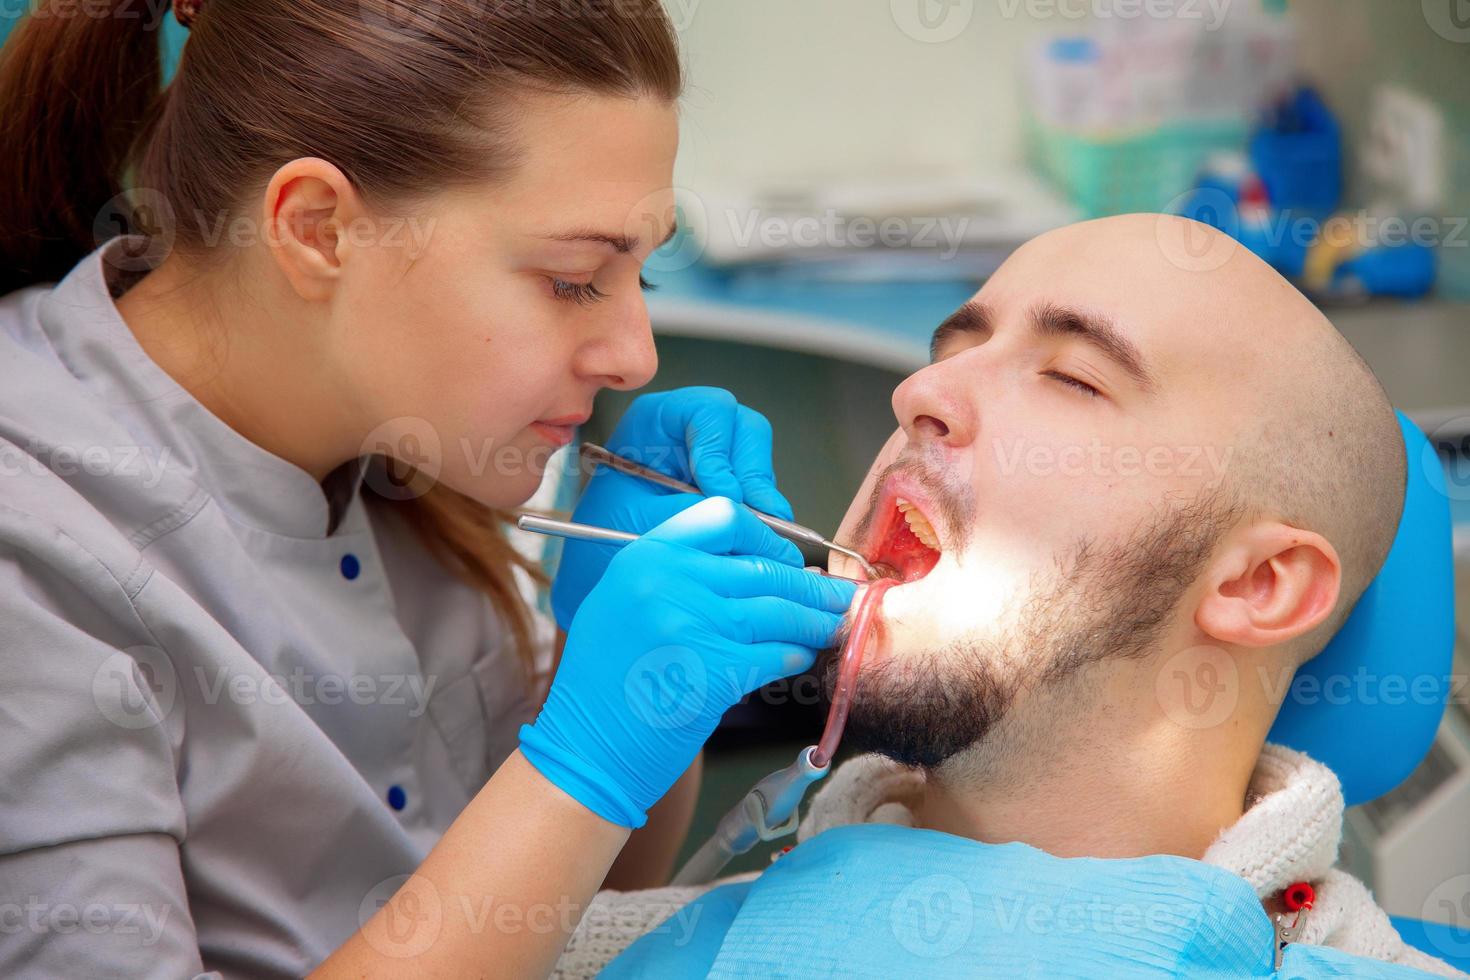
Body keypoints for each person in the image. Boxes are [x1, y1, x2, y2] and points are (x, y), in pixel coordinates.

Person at [0, 1, 855, 976]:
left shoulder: (401, 453)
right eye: (578, 277)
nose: (634, 357)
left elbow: (571, 923)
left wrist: (613, 676)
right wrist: (576, 765)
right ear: (318, 228)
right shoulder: (32, 561)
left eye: (641, 279)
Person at [555, 215, 1465, 978]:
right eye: (955, 351)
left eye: (1074, 377)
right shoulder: (613, 947)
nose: (919, 391)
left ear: (1258, 586)